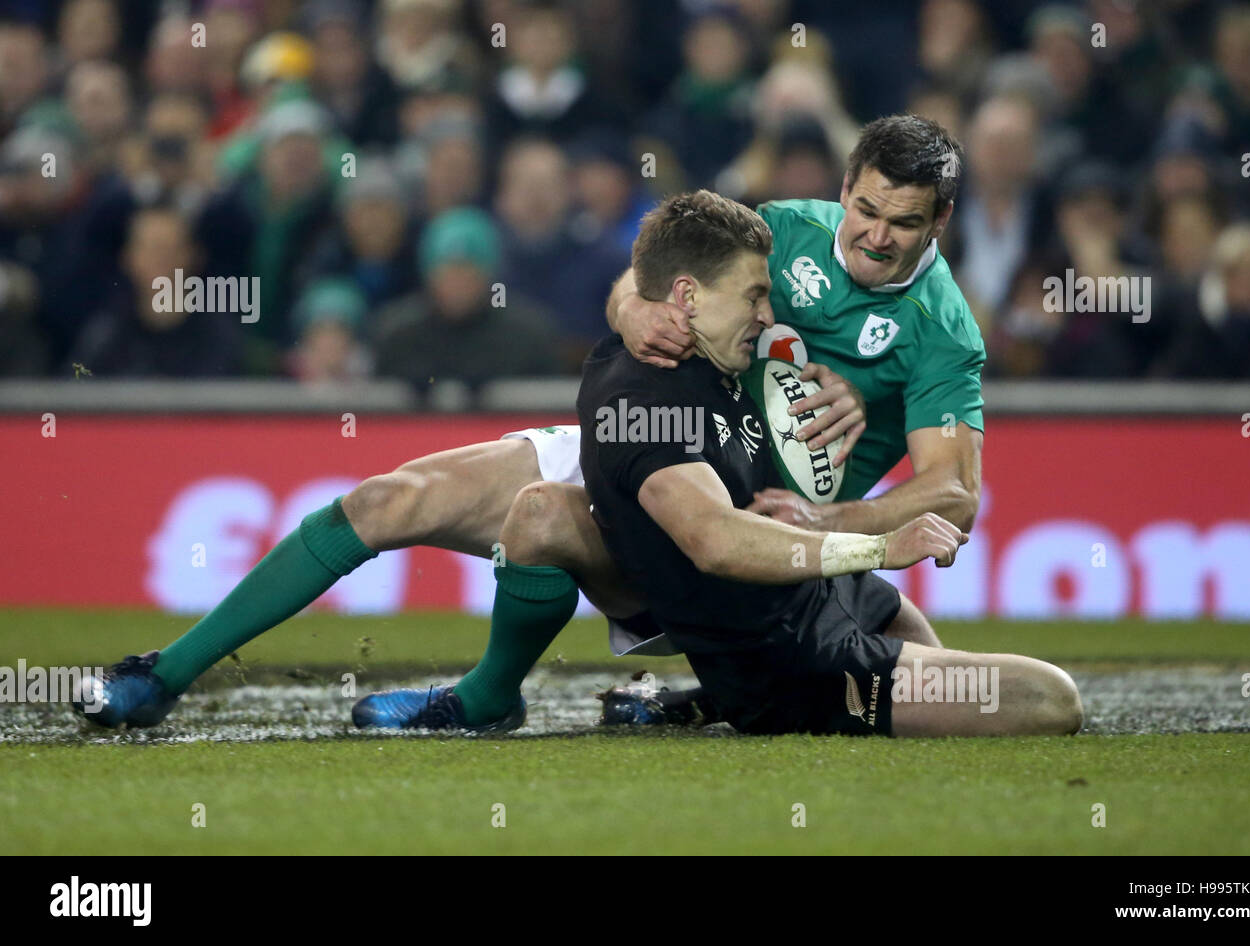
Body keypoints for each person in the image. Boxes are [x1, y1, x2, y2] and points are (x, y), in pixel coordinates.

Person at [74, 115, 986, 731]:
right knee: (392, 498)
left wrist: (827, 521)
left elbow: (953, 491)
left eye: (901, 223)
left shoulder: (943, 330)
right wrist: (631, 312)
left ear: (939, 219)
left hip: (742, 528)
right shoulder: (781, 229)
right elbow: (644, 274)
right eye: (864, 207)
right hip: (651, 443)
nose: (872, 235)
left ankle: (526, 697)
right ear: (845, 185)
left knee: (924, 671)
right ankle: (164, 674)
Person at [353, 192, 1081, 738]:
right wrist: (884, 545)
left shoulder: (715, 365)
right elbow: (715, 540)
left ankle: (690, 701)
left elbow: (679, 296)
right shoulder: (647, 401)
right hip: (800, 662)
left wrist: (845, 400)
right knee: (1047, 700)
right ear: (688, 297)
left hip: (828, 596)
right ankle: (529, 697)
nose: (771, 311)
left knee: (933, 654)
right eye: (758, 296)